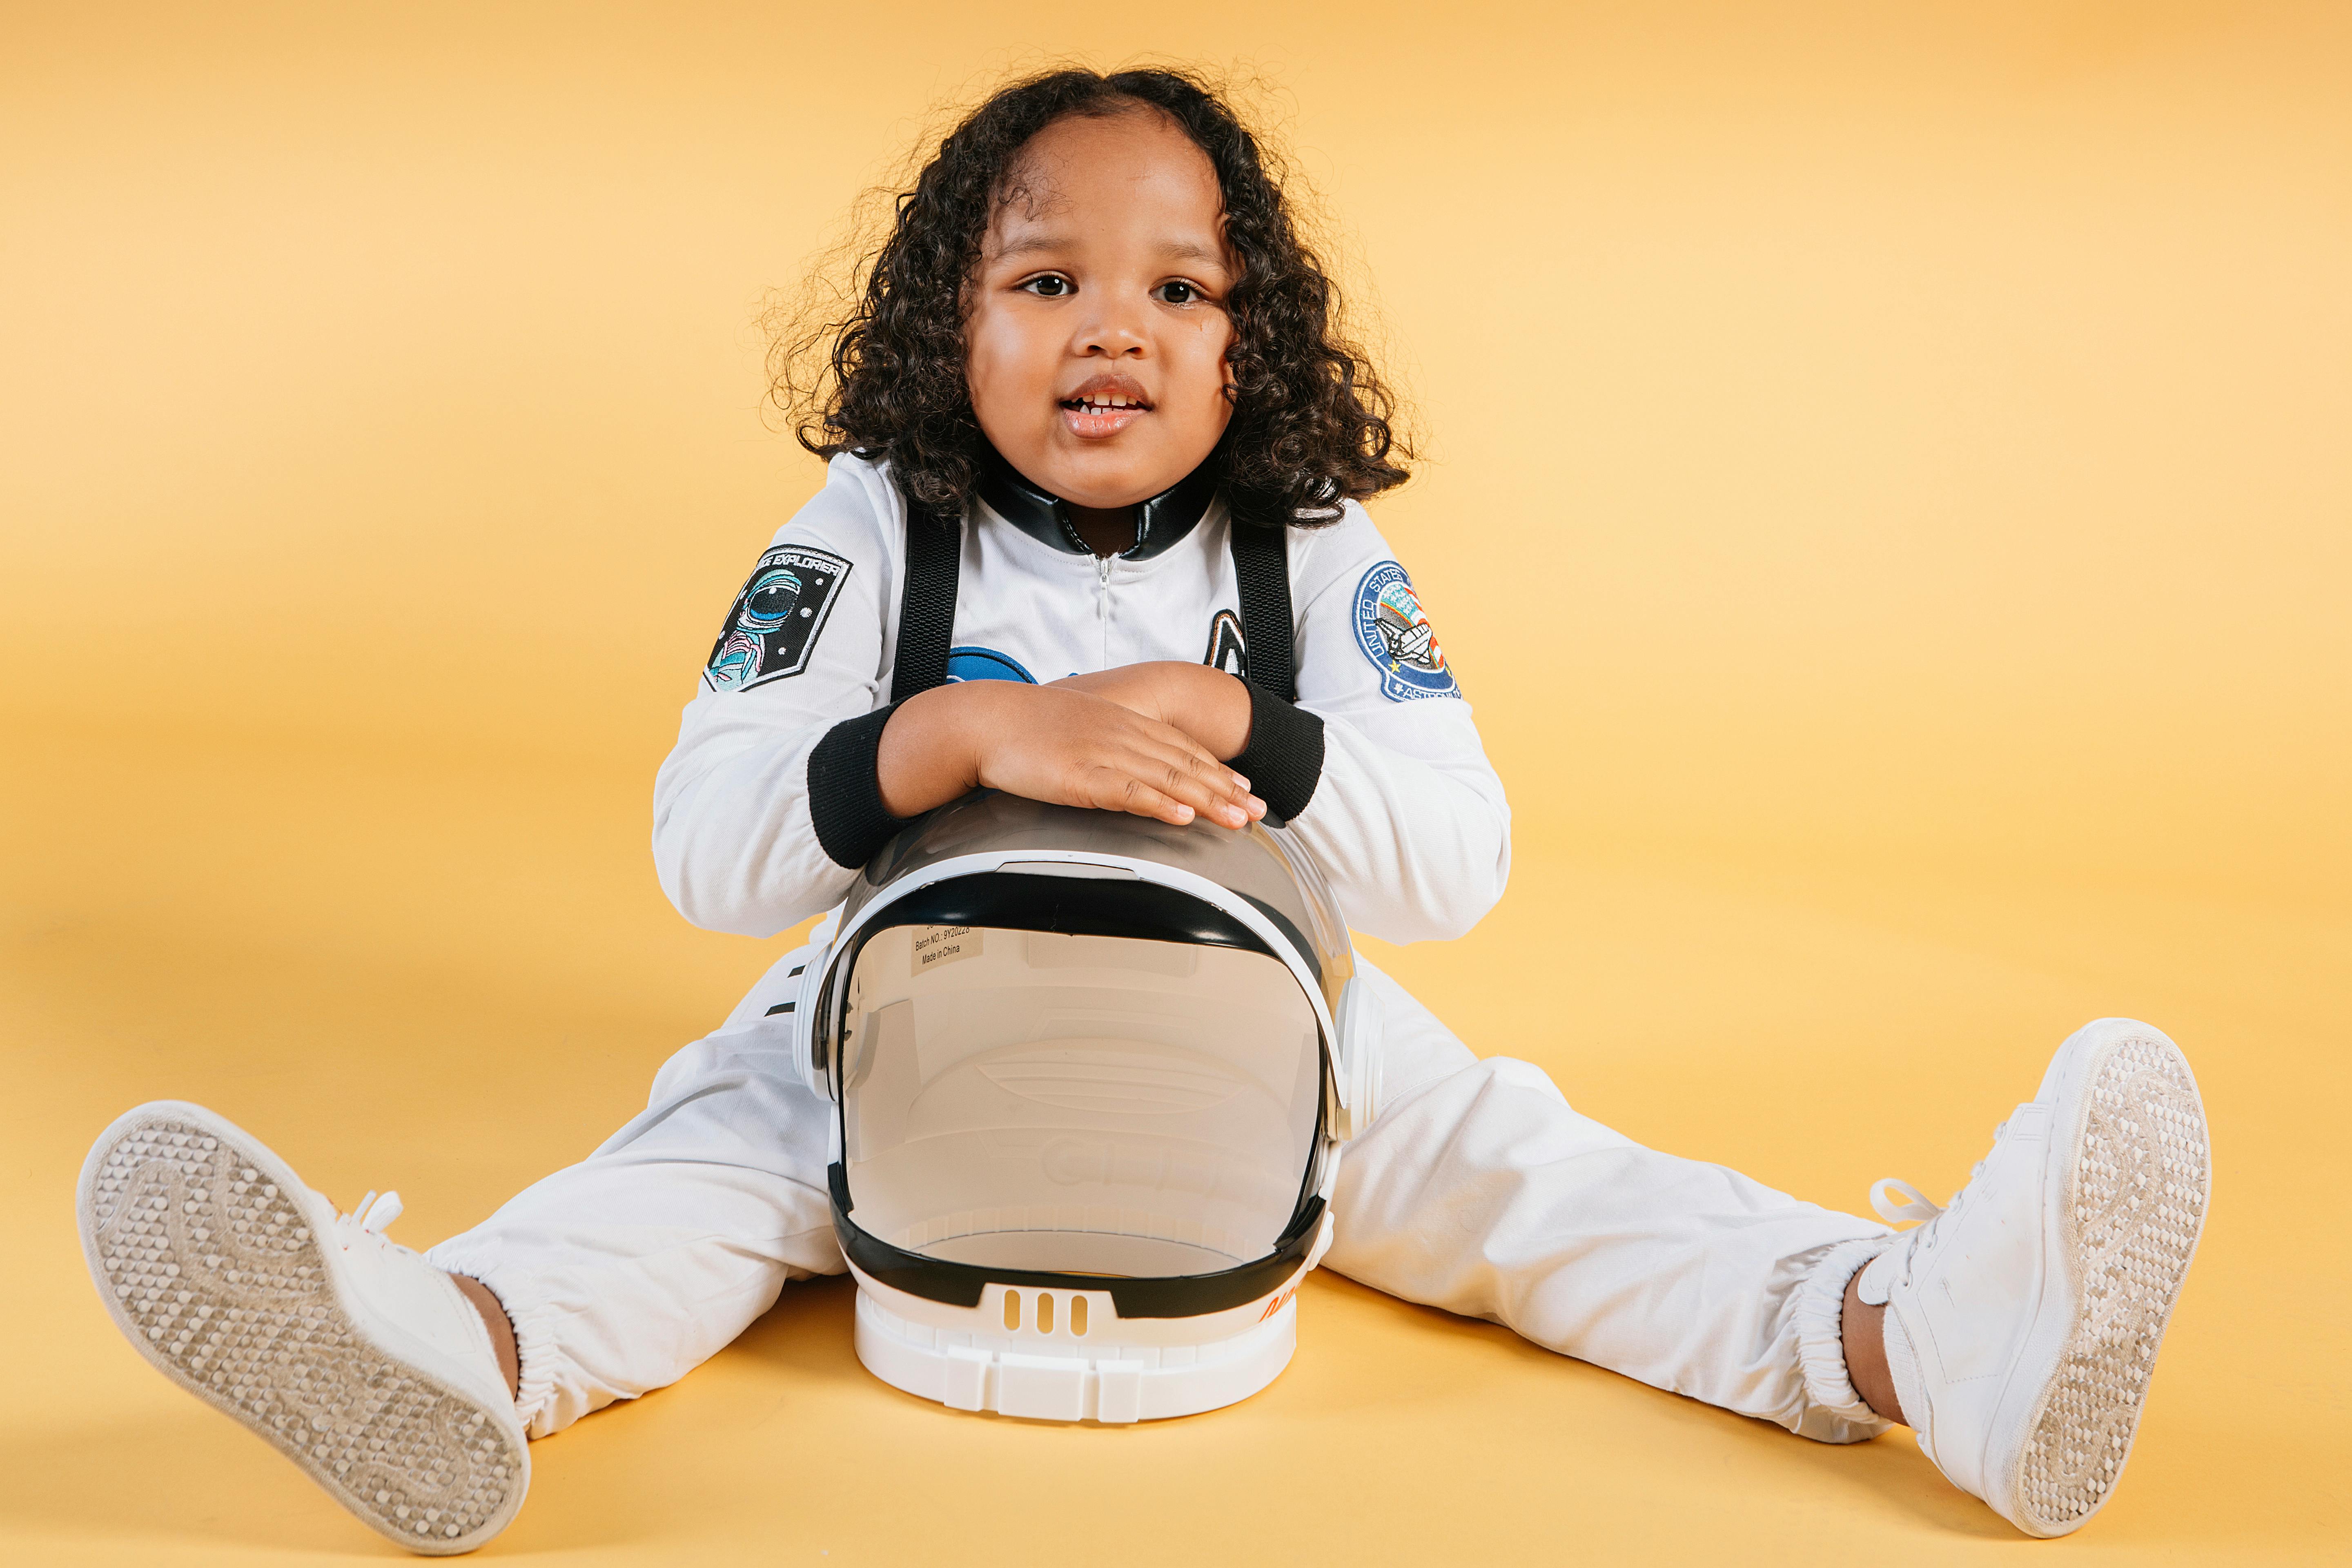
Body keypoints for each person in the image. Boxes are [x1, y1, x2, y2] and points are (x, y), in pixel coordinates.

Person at [74, 67, 2210, 1556]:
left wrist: (1245, 727)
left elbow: (1459, 858)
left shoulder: (1311, 551)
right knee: (700, 1176)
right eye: (1045, 280)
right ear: (946, 323)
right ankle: (449, 1348)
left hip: (1289, 1042)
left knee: (1538, 1183)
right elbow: (709, 846)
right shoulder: (865, 536)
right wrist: (970, 741)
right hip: (887, 1028)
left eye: (1182, 288)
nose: (1119, 326)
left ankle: (1924, 1339)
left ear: (1247, 338)